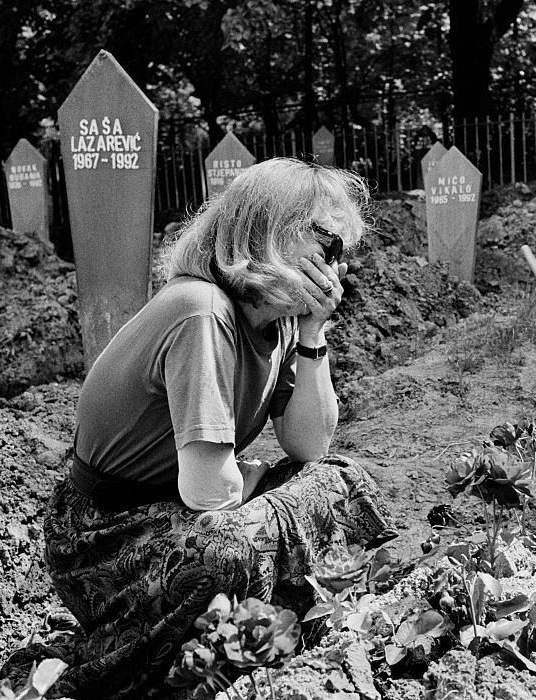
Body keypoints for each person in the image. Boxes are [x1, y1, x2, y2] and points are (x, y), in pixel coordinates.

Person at [42, 157, 396, 698]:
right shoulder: (202, 311)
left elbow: (311, 445)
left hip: (176, 510)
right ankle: (161, 653)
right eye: (323, 242)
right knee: (230, 548)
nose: (334, 263)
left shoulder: (274, 322)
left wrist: (312, 333)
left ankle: (265, 631)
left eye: (339, 250)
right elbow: (209, 492)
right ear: (265, 232)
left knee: (344, 482)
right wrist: (250, 483)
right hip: (105, 534)